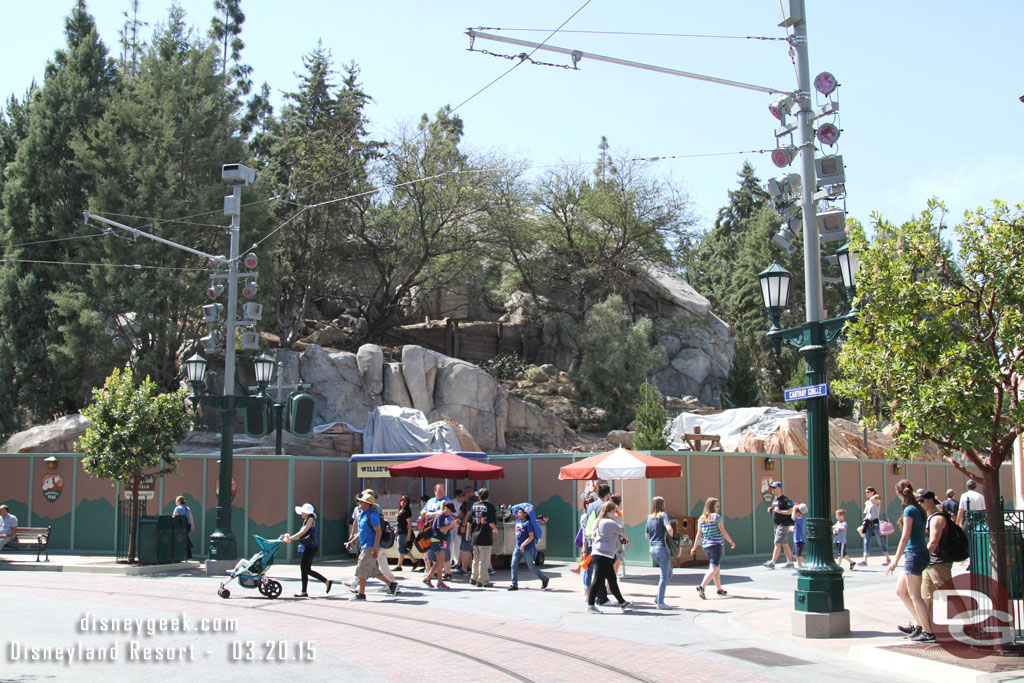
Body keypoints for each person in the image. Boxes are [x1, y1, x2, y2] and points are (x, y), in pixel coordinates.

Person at [886, 480, 930, 641]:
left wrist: (894, 561)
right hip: (917, 553)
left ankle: (928, 631)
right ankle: (921, 625)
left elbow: (905, 537)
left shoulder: (909, 511)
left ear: (898, 493)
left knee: (914, 595)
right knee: (901, 591)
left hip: (915, 554)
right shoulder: (917, 508)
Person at [913, 490, 953, 643]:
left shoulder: (937, 518)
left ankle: (967, 625)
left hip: (939, 562)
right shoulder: (930, 517)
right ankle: (925, 629)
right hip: (930, 563)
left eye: (921, 501)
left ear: (930, 500)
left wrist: (923, 557)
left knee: (948, 594)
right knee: (925, 596)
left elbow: (933, 542)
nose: (920, 504)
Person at [280, 503, 332, 598]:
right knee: (306, 569)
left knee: (304, 568)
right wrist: (288, 538)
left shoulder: (311, 519)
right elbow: (302, 535)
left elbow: (303, 532)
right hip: (308, 548)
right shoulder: (306, 520)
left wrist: (290, 538)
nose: (301, 513)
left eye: (303, 512)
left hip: (311, 548)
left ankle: (304, 591)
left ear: (308, 512)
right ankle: (326, 582)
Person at [586, 501, 630, 613]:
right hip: (603, 555)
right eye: (614, 511)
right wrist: (615, 517)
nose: (616, 513)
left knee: (611, 579)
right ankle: (590, 605)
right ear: (610, 511)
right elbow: (622, 529)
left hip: (601, 554)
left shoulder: (599, 521)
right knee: (598, 580)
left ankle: (622, 602)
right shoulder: (608, 522)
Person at [353, 492, 397, 600]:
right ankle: (392, 585)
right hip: (365, 545)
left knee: (362, 568)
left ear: (367, 504)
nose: (360, 503)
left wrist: (375, 548)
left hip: (370, 546)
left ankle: (361, 594)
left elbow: (378, 531)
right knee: (373, 571)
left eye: (362, 502)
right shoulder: (362, 514)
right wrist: (353, 541)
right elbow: (362, 531)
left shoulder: (372, 515)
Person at [691, 497, 736, 599]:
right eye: (717, 506)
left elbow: (699, 535)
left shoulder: (701, 518)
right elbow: (723, 532)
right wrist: (731, 542)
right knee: (713, 568)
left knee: (716, 566)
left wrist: (694, 547)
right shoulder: (717, 517)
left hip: (706, 546)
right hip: (716, 545)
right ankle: (702, 586)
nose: (718, 508)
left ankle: (719, 589)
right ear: (712, 507)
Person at [582, 484, 611, 605]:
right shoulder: (604, 506)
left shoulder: (591, 506)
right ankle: (599, 598)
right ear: (608, 494)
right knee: (600, 571)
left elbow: (586, 526)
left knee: (596, 571)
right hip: (601, 542)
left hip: (590, 541)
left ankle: (595, 596)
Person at [509, 505, 549, 591]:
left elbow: (531, 537)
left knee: (531, 566)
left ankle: (544, 578)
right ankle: (514, 584)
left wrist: (523, 545)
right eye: (518, 512)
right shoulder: (518, 521)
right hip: (518, 548)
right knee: (513, 564)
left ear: (525, 514)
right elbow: (514, 509)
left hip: (527, 549)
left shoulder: (528, 523)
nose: (518, 514)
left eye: (520, 512)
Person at [646, 496, 674, 609]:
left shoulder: (649, 518)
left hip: (652, 548)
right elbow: (670, 529)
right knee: (664, 576)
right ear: (662, 505)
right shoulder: (663, 515)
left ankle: (658, 597)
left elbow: (647, 535)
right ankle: (660, 602)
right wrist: (671, 537)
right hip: (662, 548)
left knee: (669, 573)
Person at [424, 501, 457, 589]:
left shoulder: (446, 517)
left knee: (439, 562)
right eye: (450, 510)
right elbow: (441, 529)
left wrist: (453, 526)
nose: (451, 513)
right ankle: (439, 582)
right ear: (446, 508)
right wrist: (451, 526)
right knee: (440, 562)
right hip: (437, 540)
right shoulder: (440, 516)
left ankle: (428, 578)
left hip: (442, 540)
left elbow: (446, 530)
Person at [420, 484, 450, 578]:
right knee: (432, 552)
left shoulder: (446, 500)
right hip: (431, 530)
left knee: (444, 551)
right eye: (439, 490)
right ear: (435, 491)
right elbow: (423, 512)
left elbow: (442, 513)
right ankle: (435, 573)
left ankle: (448, 573)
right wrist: (425, 513)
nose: (441, 492)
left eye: (442, 490)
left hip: (443, 531)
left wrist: (431, 514)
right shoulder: (430, 501)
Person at [763, 481, 795, 569]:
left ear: (779, 488)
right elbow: (776, 509)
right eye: (772, 488)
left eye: (774, 487)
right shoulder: (775, 500)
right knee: (784, 544)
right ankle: (790, 562)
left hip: (783, 524)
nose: (772, 489)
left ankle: (772, 562)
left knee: (777, 543)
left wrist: (780, 511)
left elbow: (791, 511)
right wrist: (771, 509)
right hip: (776, 525)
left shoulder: (784, 500)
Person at [469, 488, 498, 587]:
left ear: (479, 496)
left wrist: (468, 534)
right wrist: (495, 529)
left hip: (475, 535)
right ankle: (483, 580)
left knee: (476, 559)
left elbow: (470, 521)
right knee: (484, 559)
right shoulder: (490, 507)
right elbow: (490, 522)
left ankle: (474, 577)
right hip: (485, 536)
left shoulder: (474, 505)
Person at [858, 486, 891, 566]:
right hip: (868, 524)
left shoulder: (876, 500)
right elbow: (867, 514)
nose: (866, 494)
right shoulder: (867, 502)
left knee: (880, 542)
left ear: (873, 492)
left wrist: (875, 496)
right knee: (866, 542)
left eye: (868, 492)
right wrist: (863, 524)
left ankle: (888, 558)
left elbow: (873, 500)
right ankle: (864, 560)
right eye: (865, 492)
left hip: (876, 524)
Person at [395, 495, 414, 571]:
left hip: (404, 532)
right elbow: (398, 523)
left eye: (405, 501)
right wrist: (396, 530)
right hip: (399, 531)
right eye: (401, 500)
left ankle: (414, 561)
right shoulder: (400, 510)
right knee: (401, 549)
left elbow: (409, 525)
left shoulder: (406, 512)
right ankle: (399, 565)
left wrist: (409, 535)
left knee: (402, 549)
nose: (403, 502)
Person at [172, 495, 194, 560]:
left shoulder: (177, 508)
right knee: (185, 537)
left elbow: (174, 517)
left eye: (176, 500)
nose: (175, 502)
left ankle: (185, 553)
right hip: (188, 526)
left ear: (179, 501)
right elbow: (191, 518)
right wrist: (193, 526)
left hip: (180, 526)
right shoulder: (187, 508)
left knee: (181, 539)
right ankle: (189, 547)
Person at [791, 503, 807, 574]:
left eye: (796, 512)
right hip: (797, 540)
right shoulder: (799, 519)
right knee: (794, 555)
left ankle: (800, 569)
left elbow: (792, 518)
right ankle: (806, 564)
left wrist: (794, 509)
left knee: (798, 555)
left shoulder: (800, 519)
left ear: (798, 513)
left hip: (800, 540)